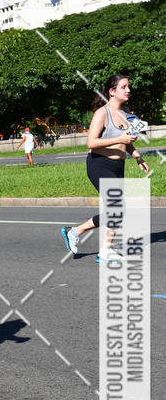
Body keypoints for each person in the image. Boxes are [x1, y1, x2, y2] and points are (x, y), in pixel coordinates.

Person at [61, 74, 149, 262]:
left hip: (118, 166)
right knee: (117, 207)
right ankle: (102, 249)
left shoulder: (126, 113)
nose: (128, 90)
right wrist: (120, 139)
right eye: (124, 87)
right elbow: (91, 142)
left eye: (128, 86)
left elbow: (128, 141)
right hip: (99, 164)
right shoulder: (102, 113)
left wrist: (136, 156)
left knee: (117, 210)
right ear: (112, 91)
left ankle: (76, 232)